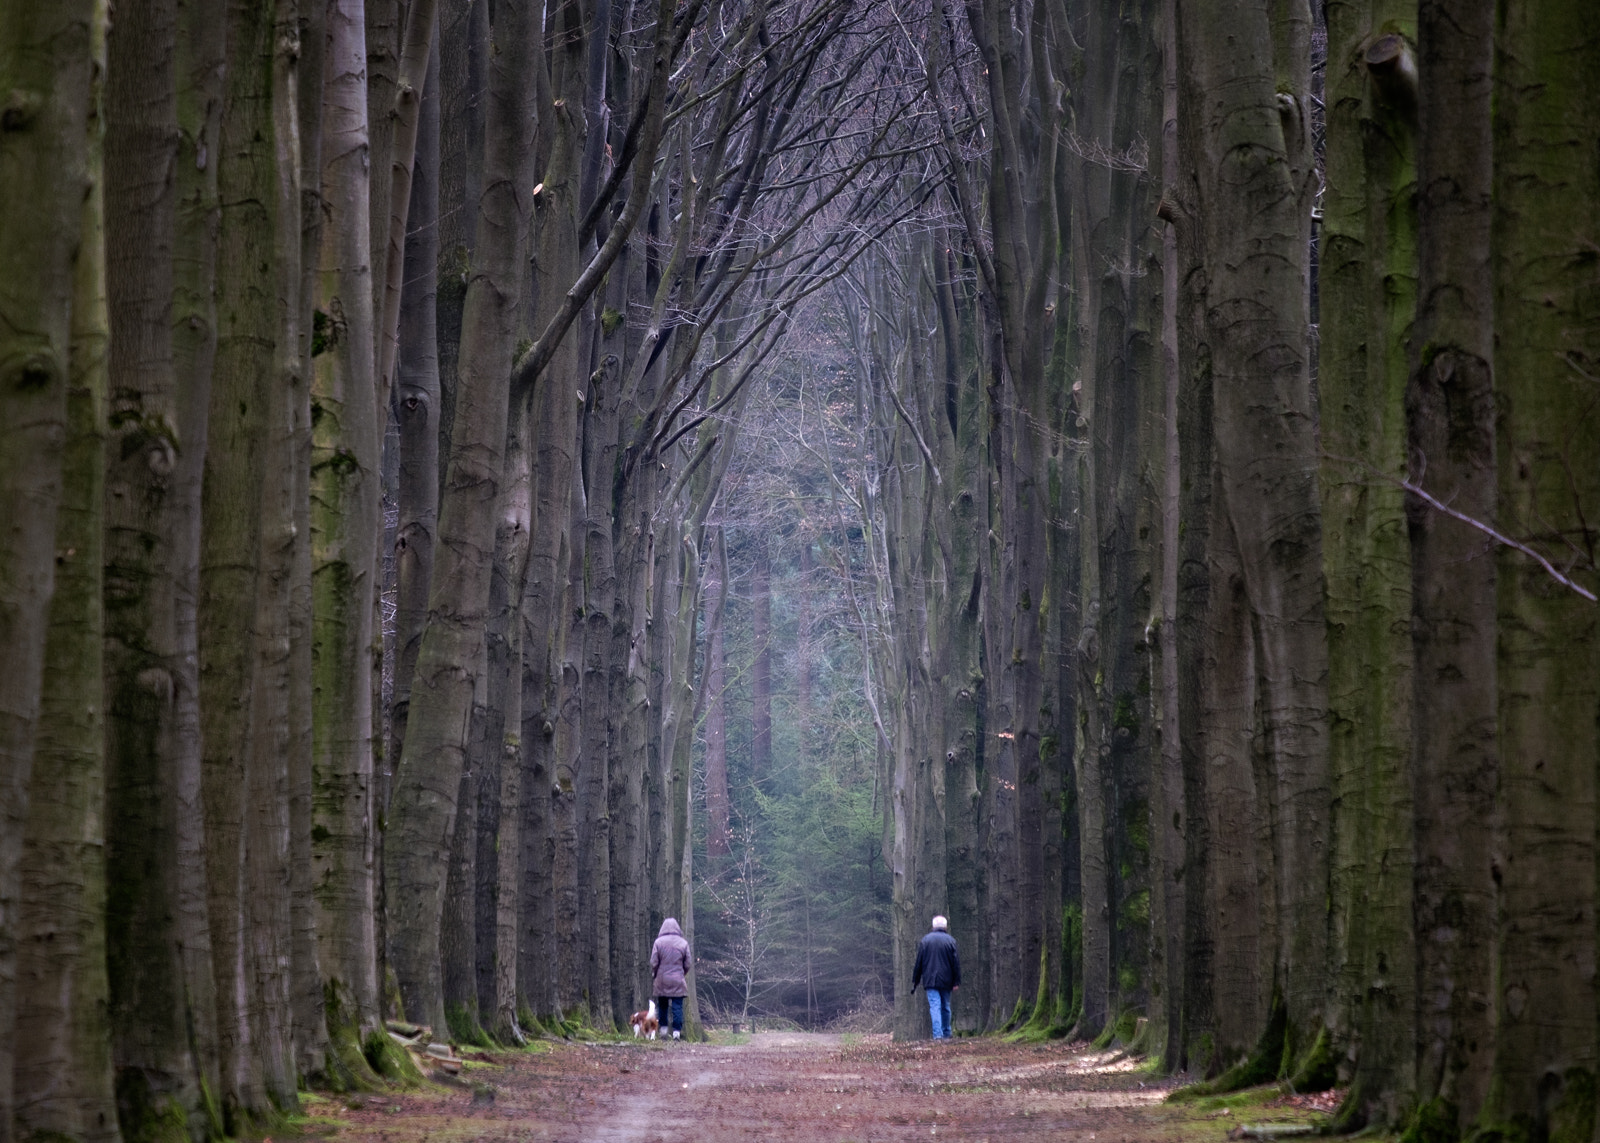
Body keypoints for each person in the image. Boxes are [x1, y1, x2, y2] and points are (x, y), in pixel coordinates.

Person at [911, 914, 961, 1039]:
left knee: (935, 1006)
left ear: (933, 926)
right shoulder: (951, 941)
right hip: (947, 980)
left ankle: (937, 1035)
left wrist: (915, 980)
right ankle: (947, 1032)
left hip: (930, 979)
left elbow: (919, 963)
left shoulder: (925, 941)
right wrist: (956, 981)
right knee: (945, 1006)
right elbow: (955, 963)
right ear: (945, 926)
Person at [650, 917, 692, 1040]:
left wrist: (655, 973)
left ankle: (663, 1031)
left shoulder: (658, 942)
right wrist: (682, 973)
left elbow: (654, 962)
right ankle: (676, 1033)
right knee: (677, 1007)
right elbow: (688, 963)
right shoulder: (683, 943)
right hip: (678, 979)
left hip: (662, 979)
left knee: (662, 1006)